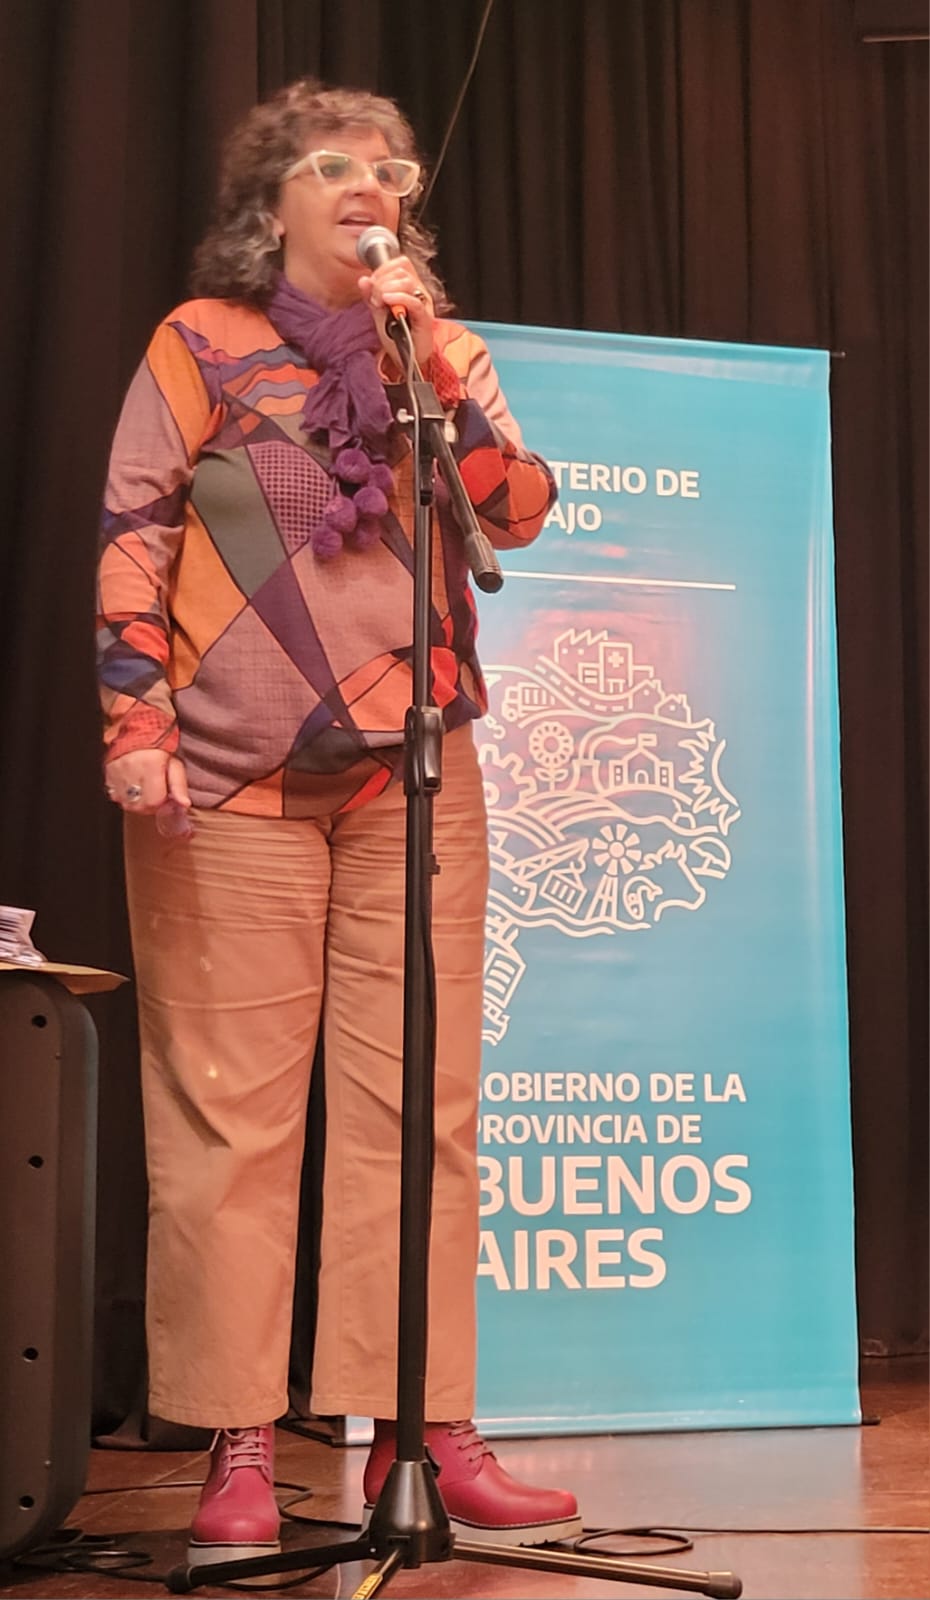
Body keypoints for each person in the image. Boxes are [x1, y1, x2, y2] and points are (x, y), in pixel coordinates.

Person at [97, 78, 580, 1564]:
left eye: (392, 170)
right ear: (272, 205)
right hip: (229, 776)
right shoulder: (199, 341)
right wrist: (134, 717)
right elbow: (135, 526)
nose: (371, 185)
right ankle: (239, 1441)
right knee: (233, 1119)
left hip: (413, 771)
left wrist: (429, 355)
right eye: (333, 165)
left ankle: (423, 1434)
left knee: (421, 1112)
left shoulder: (440, 351)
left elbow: (518, 512)